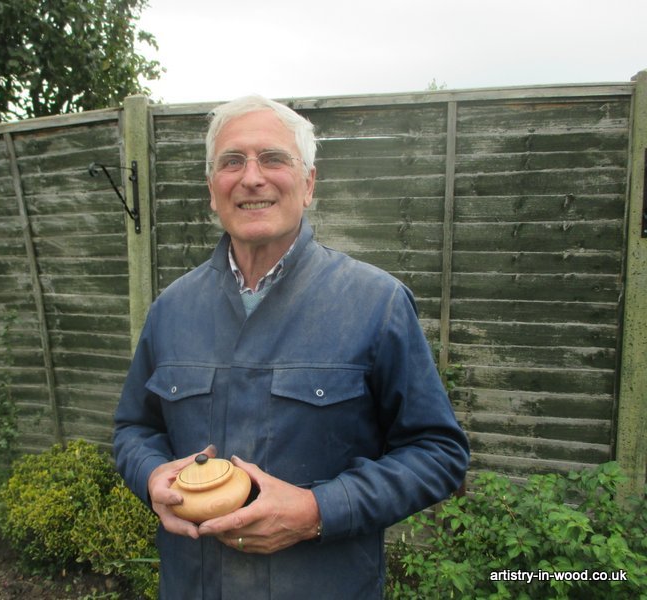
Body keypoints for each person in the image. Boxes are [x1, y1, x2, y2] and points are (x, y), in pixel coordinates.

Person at [113, 95, 470, 599]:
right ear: (212, 190)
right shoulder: (171, 310)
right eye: (231, 162)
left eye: (273, 158)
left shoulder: (376, 303)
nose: (251, 177)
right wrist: (152, 476)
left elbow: (439, 452)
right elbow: (134, 429)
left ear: (308, 184)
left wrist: (317, 511)